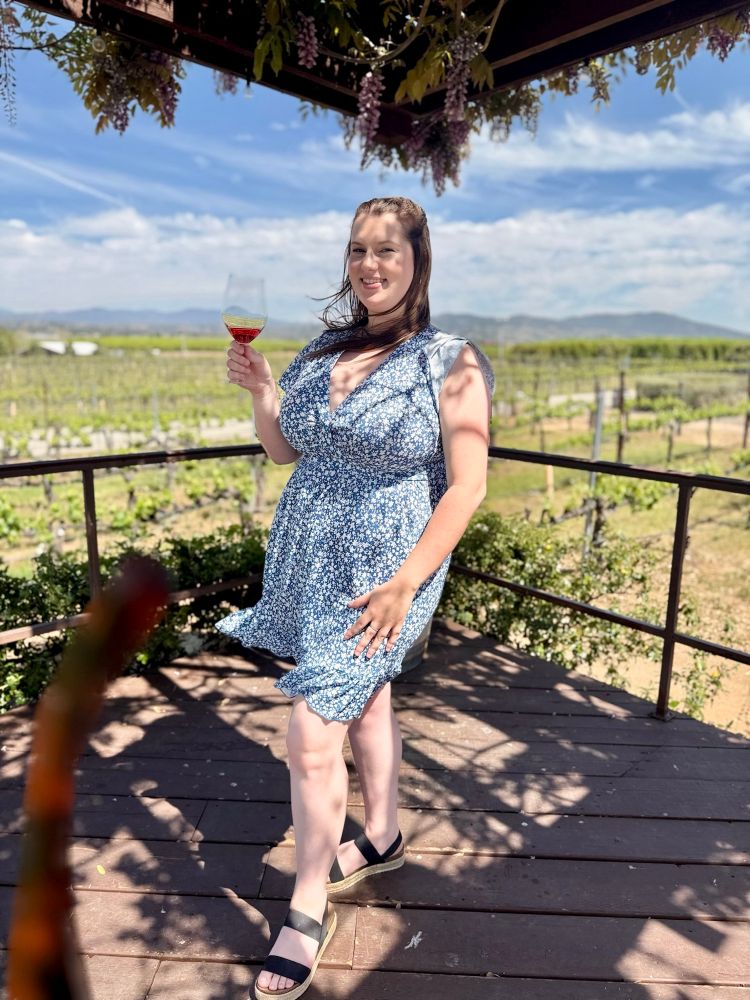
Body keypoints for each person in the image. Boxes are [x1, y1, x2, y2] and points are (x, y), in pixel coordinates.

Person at [216, 195, 495, 999]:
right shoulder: (323, 349)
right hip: (312, 553)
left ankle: (306, 909)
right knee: (364, 701)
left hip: (385, 568)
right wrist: (265, 391)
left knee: (311, 729)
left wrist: (408, 583)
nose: (370, 265)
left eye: (387, 251)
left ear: (418, 261)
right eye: (357, 251)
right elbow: (283, 449)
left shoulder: (455, 360)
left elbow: (467, 487)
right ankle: (381, 836)